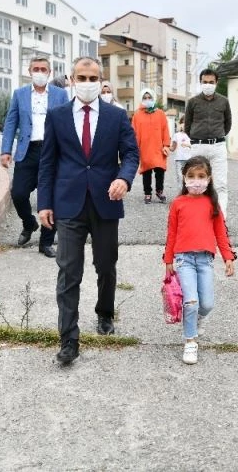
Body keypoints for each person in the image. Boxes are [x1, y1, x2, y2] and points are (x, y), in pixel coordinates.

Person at [37, 56, 139, 365]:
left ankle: (105, 312)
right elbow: (48, 162)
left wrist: (124, 177)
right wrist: (44, 203)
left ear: (101, 79)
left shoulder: (116, 116)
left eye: (92, 77)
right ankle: (69, 339)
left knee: (106, 266)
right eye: (81, 77)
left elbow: (132, 153)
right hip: (68, 204)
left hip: (106, 201)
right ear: (70, 79)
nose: (87, 83)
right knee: (69, 272)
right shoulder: (56, 116)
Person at [164, 156, 236, 364]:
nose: (196, 181)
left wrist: (228, 257)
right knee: (191, 301)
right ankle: (190, 341)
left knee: (206, 304)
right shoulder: (178, 203)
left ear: (209, 178)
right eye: (191, 176)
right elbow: (172, 233)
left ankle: (195, 320)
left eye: (201, 176)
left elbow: (221, 233)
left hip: (205, 260)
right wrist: (168, 260)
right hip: (184, 259)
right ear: (184, 178)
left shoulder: (212, 204)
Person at [0, 57, 69, 257]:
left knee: (52, 198)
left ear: (49, 72)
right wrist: (6, 150)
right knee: (19, 194)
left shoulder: (60, 94)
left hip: (53, 151)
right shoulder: (20, 94)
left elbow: (66, 123)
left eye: (43, 69)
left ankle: (46, 243)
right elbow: (11, 123)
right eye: (35, 69)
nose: (39, 72)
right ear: (29, 72)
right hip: (27, 151)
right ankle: (29, 223)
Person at [184, 69, 233, 216]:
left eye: (211, 82)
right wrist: (197, 137)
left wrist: (217, 136)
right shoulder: (192, 102)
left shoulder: (224, 101)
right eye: (205, 82)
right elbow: (187, 125)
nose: (208, 85)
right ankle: (198, 217)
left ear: (216, 83)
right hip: (198, 146)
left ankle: (221, 219)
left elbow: (228, 124)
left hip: (218, 147)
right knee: (195, 184)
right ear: (200, 82)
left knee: (220, 184)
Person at [132, 88, 170, 204]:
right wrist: (134, 148)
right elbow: (134, 133)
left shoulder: (160, 114)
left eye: (149, 98)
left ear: (153, 98)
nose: (147, 100)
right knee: (146, 171)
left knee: (160, 170)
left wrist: (166, 145)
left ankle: (159, 191)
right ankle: (147, 193)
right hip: (145, 148)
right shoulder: (137, 115)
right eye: (145, 98)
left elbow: (165, 130)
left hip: (159, 147)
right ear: (141, 99)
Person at [170, 117, 192, 183]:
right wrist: (165, 146)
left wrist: (188, 145)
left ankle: (188, 192)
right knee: (180, 177)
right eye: (182, 123)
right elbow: (172, 148)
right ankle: (181, 192)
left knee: (189, 177)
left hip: (189, 159)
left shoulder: (192, 135)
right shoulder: (176, 135)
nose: (184, 124)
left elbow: (196, 147)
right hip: (179, 159)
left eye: (186, 123)